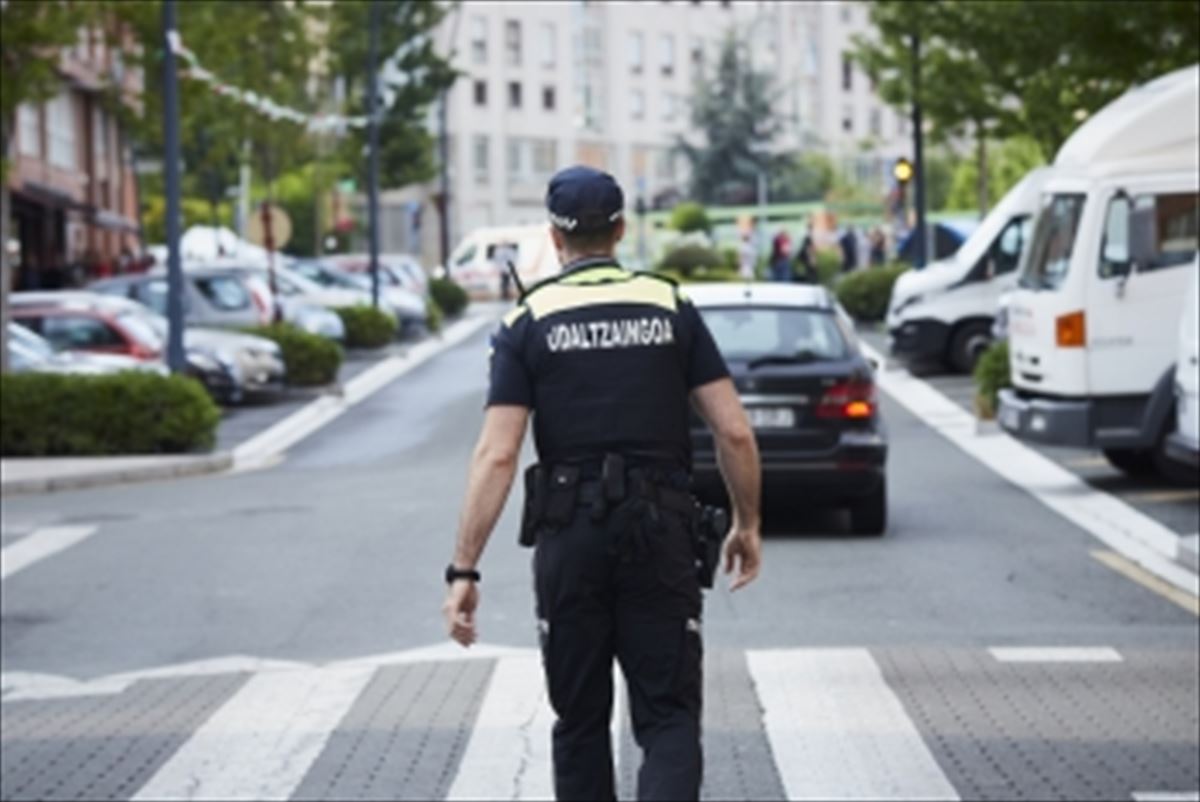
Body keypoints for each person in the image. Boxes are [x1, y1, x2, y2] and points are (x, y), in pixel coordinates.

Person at [443, 165, 763, 802]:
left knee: (581, 722)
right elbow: (733, 432)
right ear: (620, 228)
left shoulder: (527, 321)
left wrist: (464, 571)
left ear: (555, 238)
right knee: (669, 718)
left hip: (571, 540)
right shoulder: (669, 304)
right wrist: (746, 523)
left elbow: (497, 455)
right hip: (661, 535)